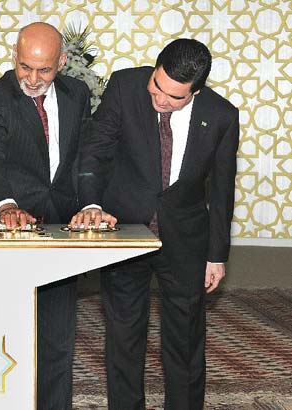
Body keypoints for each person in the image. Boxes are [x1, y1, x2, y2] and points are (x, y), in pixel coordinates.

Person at [76, 38, 239, 410]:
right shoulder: (124, 86)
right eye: (157, 86)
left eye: (175, 97)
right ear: (155, 69)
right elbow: (95, 149)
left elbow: (223, 190)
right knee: (124, 335)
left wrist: (217, 255)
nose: (161, 100)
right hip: (126, 229)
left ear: (195, 92)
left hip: (186, 239)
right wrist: (92, 203)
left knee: (184, 341)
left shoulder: (222, 116)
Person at [0, 22, 91, 409]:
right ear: (14, 57)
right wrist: (5, 204)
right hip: (10, 226)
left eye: (45, 70)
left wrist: (90, 203)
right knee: (3, 333)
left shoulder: (78, 94)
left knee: (58, 337)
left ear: (63, 62)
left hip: (60, 225)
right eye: (25, 67)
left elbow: (82, 158)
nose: (34, 78)